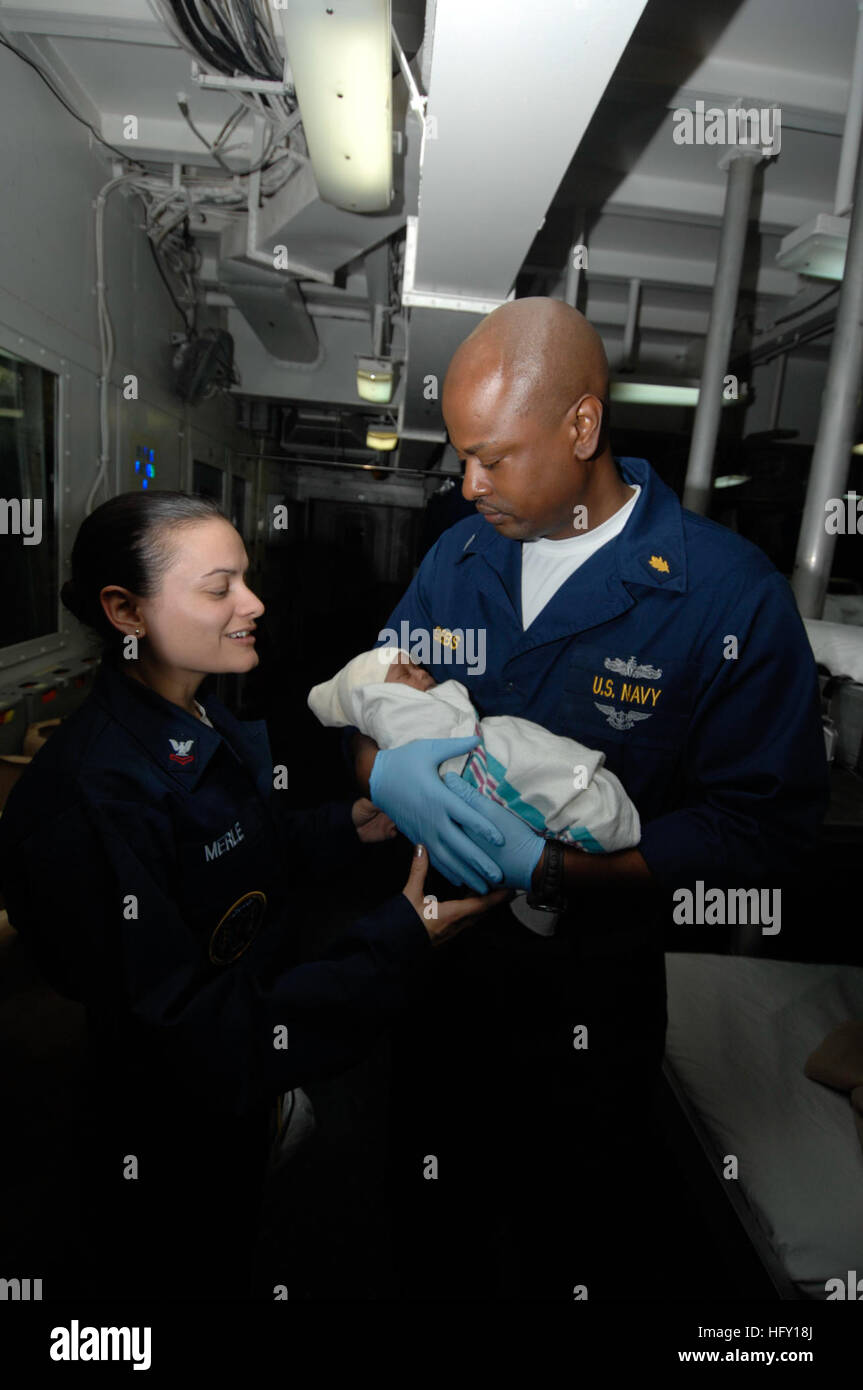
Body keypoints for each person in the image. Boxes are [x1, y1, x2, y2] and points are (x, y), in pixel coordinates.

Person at [346, 297, 832, 1299]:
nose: (466, 483)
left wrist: (561, 869)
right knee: (424, 1221)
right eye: (459, 456)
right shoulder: (460, 554)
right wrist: (384, 771)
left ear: (580, 426)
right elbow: (377, 696)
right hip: (437, 967)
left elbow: (765, 828)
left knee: (568, 1242)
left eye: (491, 456)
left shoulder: (723, 595)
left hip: (587, 992)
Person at [0, 491, 507, 1301]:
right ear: (125, 610)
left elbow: (242, 851)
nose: (255, 604)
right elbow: (194, 1033)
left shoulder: (205, 719)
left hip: (237, 1101)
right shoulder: (91, 800)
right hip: (164, 1126)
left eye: (246, 579)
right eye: (219, 587)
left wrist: (351, 824)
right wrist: (400, 939)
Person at [309, 644, 640, 935]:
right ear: (379, 698)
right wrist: (375, 774)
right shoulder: (392, 709)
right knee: (542, 779)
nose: (420, 672)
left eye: (415, 664)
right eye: (404, 673)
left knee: (540, 759)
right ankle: (594, 820)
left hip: (497, 749)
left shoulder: (417, 695)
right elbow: (369, 716)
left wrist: (545, 866)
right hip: (487, 769)